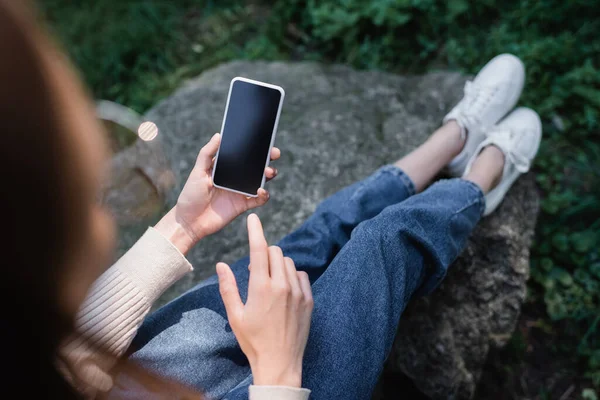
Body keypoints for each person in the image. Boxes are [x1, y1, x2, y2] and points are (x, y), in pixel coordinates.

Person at [0, 1, 541, 399]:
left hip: (137, 373)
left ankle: (450, 142)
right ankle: (479, 181)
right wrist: (279, 374)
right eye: (88, 187)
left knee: (297, 249)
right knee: (382, 244)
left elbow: (60, 349)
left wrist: (182, 226)